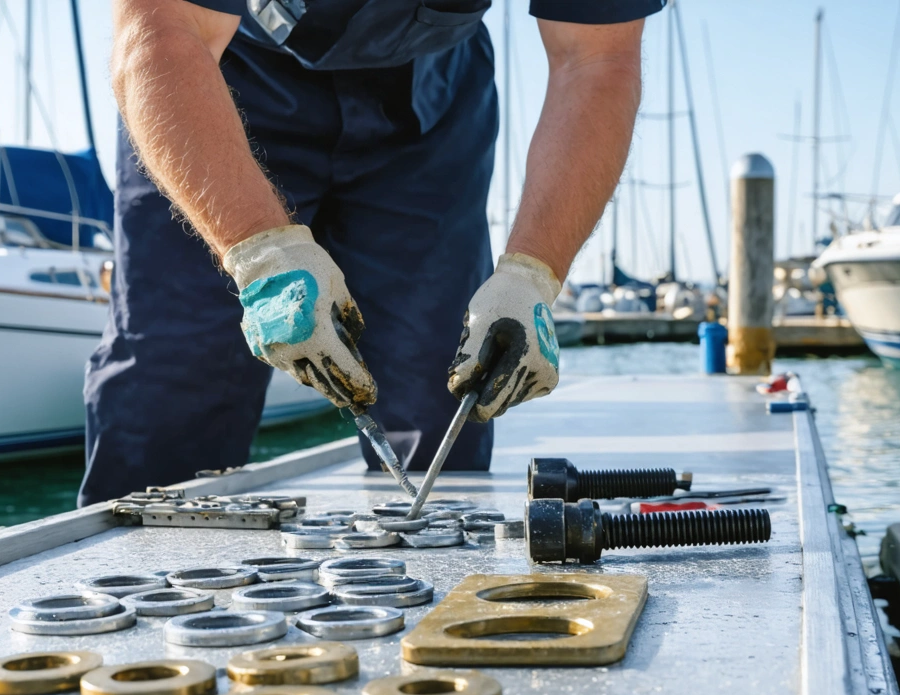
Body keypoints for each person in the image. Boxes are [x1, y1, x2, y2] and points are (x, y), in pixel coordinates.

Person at [78, 0, 661, 506]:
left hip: (429, 104)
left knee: (445, 404)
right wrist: (260, 254)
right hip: (221, 79)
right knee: (170, 395)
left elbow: (597, 59)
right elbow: (161, 29)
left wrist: (533, 273)